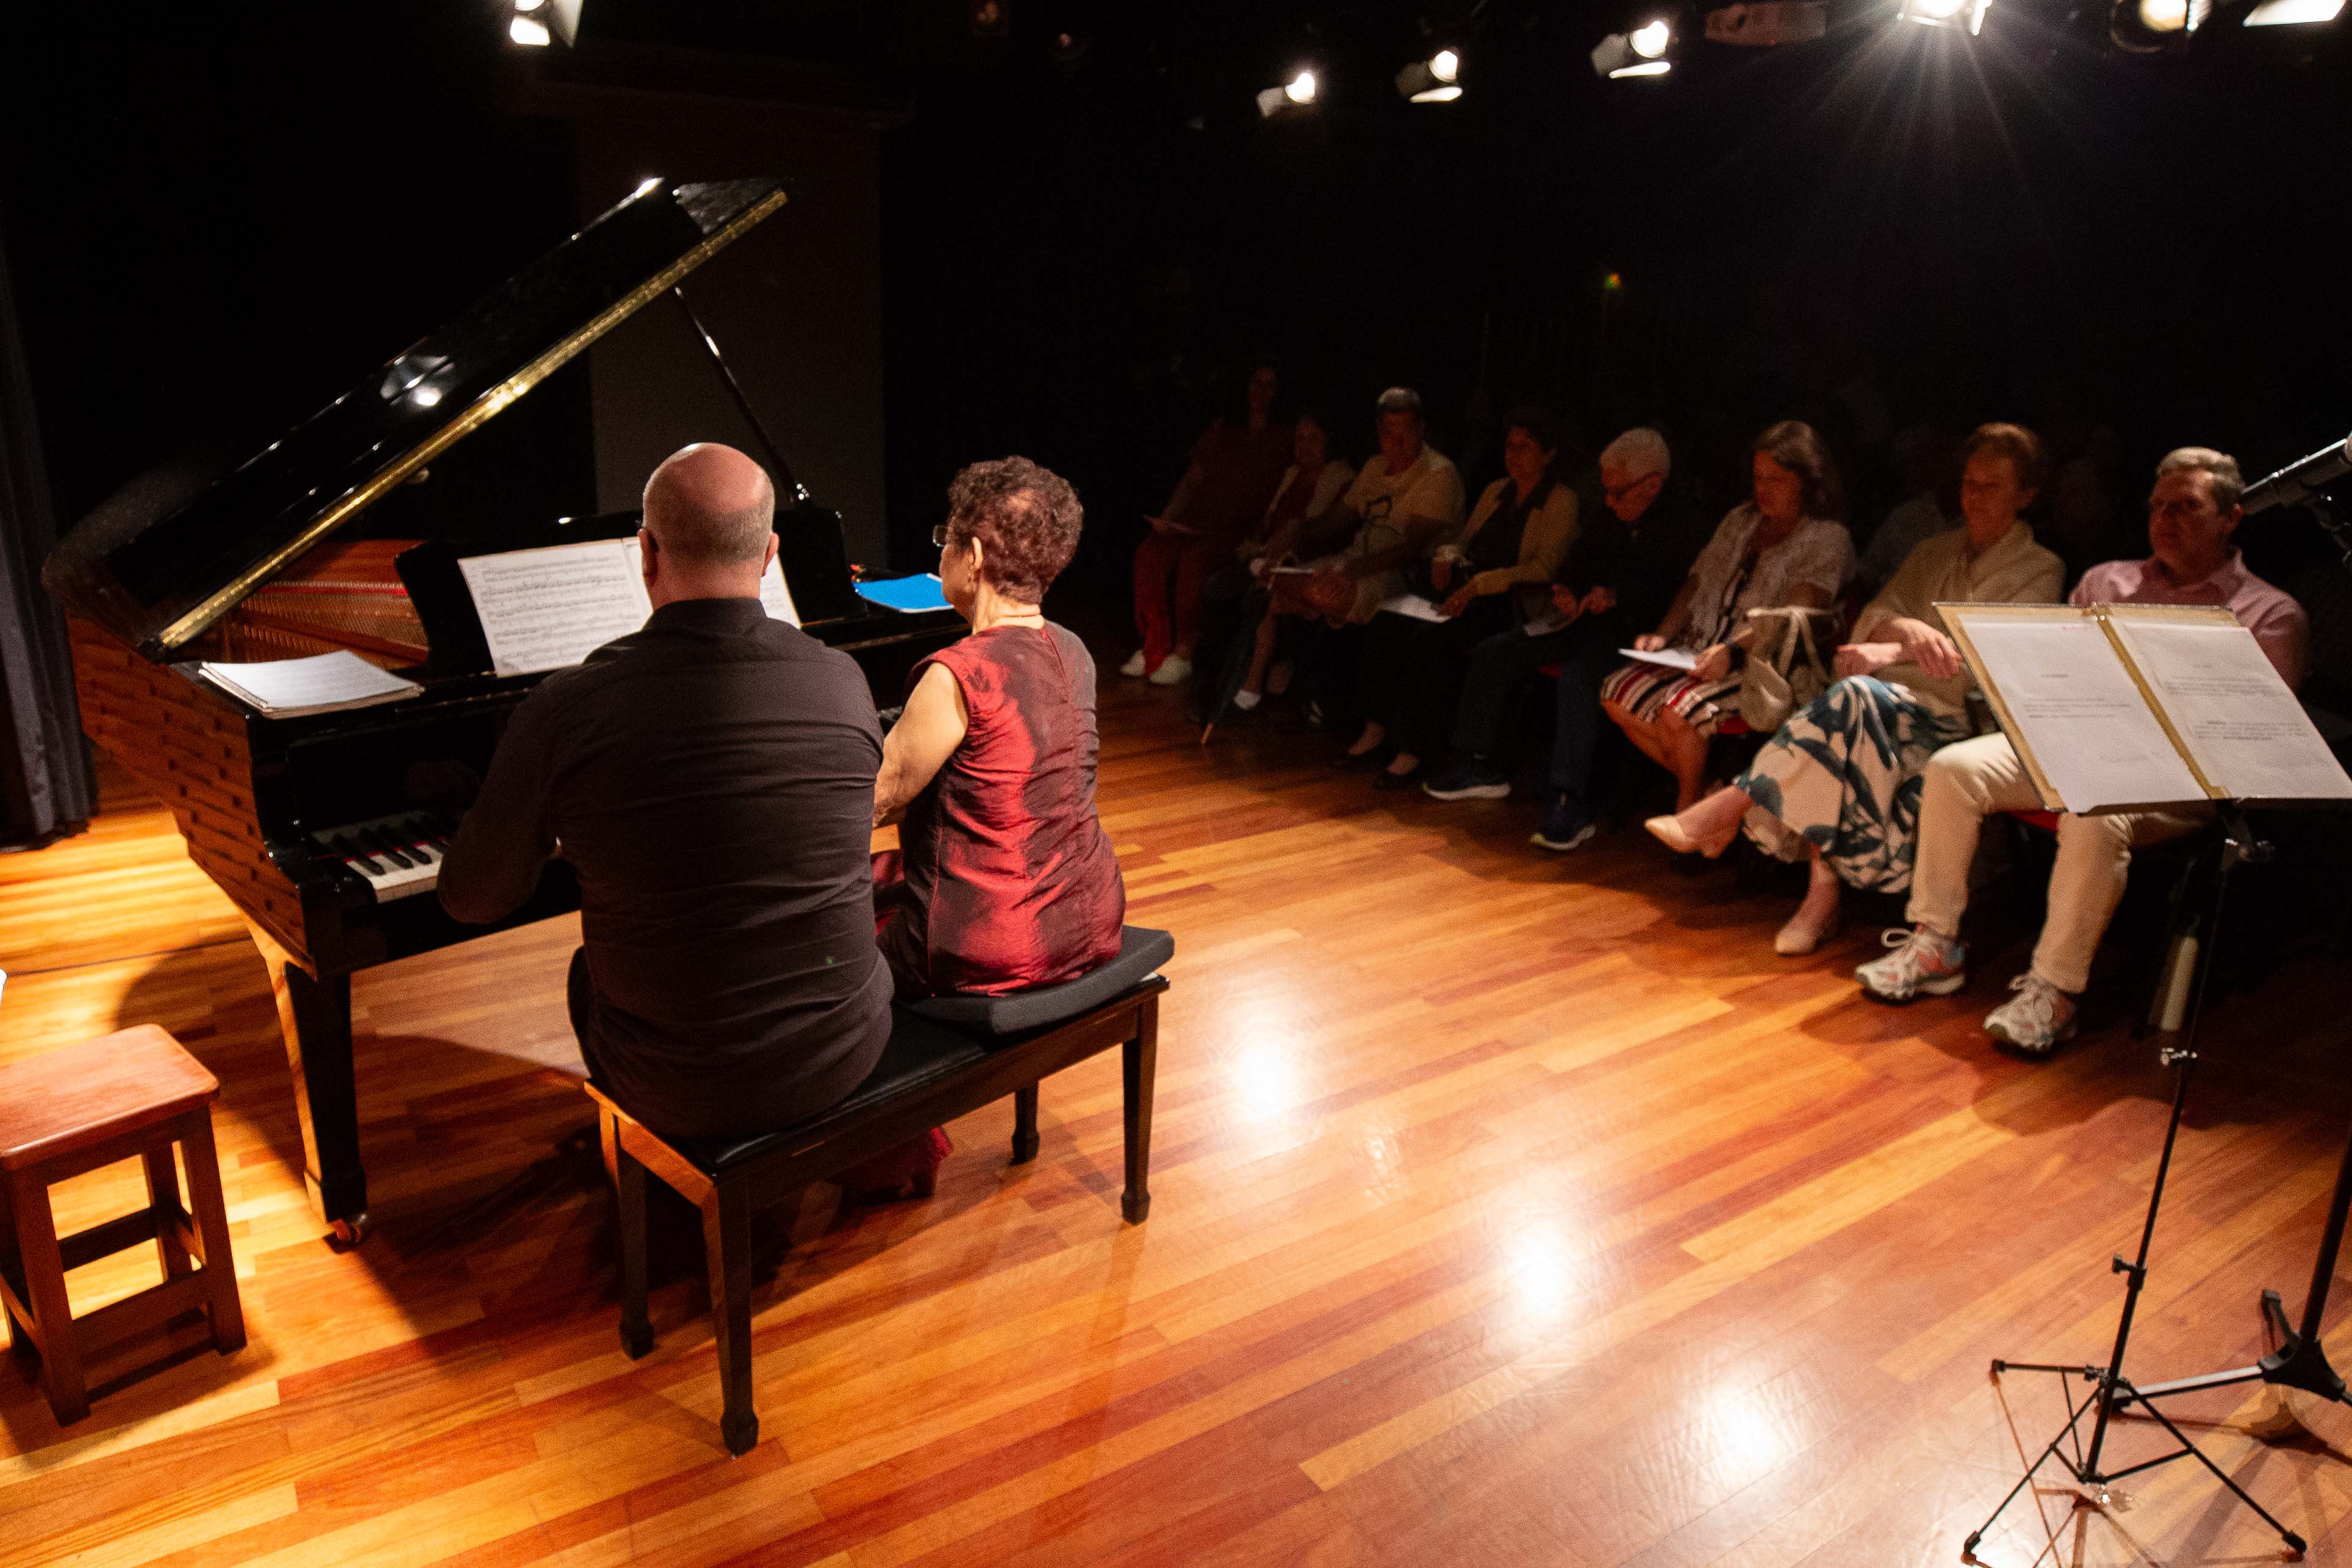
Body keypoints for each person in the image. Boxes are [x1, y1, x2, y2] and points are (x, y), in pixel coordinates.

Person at [439, 443, 891, 1143]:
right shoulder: (841, 679)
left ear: (645, 552)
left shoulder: (570, 705)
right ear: (771, 554)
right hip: (846, 1050)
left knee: (591, 971)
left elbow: (473, 899)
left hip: (680, 1086)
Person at [1855, 447, 2310, 1055]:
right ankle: (1936, 942)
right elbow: (2050, 673)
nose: (2165, 519)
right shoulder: (2106, 581)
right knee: (1954, 768)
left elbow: (2254, 740)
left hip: (2177, 778)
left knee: (2093, 813)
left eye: (2186, 507)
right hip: (2080, 744)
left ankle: (2054, 990)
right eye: (2157, 506)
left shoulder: (2270, 613)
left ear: (2230, 517)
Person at [1644, 424, 2065, 954]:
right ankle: (1817, 901)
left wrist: (1895, 648)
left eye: (1991, 486)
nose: (1973, 496)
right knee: (1851, 713)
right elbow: (1875, 614)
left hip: (1959, 721)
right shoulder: (1934, 550)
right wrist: (1904, 631)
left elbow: (1988, 664)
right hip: (1888, 707)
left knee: (1853, 700)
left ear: (2026, 495)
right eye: (1968, 482)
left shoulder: (2041, 569)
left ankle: (1733, 810)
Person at [874, 456, 1125, 1000]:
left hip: (987, 945)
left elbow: (878, 799)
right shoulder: (1074, 651)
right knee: (885, 875)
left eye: (947, 538)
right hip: (1093, 915)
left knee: (825, 938)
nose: (941, 551)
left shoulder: (958, 674)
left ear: (976, 557)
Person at [1419, 428, 1710, 854]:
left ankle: (1570, 800)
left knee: (1579, 676)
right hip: (1585, 624)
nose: (1608, 502)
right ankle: (1479, 763)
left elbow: (1677, 594)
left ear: (1653, 485)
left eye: (1617, 493)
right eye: (1605, 492)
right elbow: (1580, 559)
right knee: (1497, 651)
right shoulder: (1611, 516)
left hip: (1640, 641)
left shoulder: (1686, 527)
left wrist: (1617, 597)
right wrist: (1569, 588)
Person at [1600, 420, 1855, 812]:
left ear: (1807, 481)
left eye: (1778, 479)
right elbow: (1697, 582)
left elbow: (1787, 617)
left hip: (1757, 663)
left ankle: (1687, 810)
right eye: (1758, 477)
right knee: (1615, 692)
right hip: (1700, 646)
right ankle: (1708, 793)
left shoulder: (1826, 538)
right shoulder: (1741, 520)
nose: (1763, 489)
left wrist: (1731, 651)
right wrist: (1662, 635)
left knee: (1678, 713)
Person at [1352, 408, 1577, 787]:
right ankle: (1376, 728)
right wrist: (1446, 556)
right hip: (1468, 592)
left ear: (1549, 454)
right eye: (1510, 445)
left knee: (1432, 641)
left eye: (1526, 447)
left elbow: (1545, 568)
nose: (1514, 454)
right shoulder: (1495, 490)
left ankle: (1415, 750)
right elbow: (1464, 542)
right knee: (1388, 621)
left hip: (1511, 604)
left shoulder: (1561, 500)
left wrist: (1481, 584)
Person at [1307, 386, 1466, 756]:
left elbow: (1410, 548)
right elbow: (1339, 519)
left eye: (1405, 430)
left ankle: (1370, 726)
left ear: (1422, 429)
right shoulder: (1375, 467)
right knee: (1285, 582)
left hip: (1411, 575)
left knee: (1335, 599)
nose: (1395, 440)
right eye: (1387, 431)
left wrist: (1349, 570)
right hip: (1358, 559)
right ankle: (1308, 699)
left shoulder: (1439, 473)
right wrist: (1297, 532)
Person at [1124, 358, 1293, 688]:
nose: (1260, 392)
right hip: (1197, 518)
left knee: (1195, 560)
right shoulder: (1222, 428)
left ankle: (1185, 651)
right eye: (1255, 383)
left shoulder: (1284, 437)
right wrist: (1168, 518)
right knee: (1151, 552)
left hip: (1237, 528)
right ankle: (1154, 646)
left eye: (1269, 386)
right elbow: (1191, 480)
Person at [1214, 406, 1356, 716]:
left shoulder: (1343, 477)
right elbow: (1269, 519)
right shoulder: (1292, 474)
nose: (1304, 445)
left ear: (1330, 441)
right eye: (1300, 438)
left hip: (1307, 561)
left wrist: (1269, 552)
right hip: (1274, 555)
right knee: (1244, 588)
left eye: (1314, 438)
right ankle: (1244, 683)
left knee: (1256, 590)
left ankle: (1247, 686)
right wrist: (1257, 544)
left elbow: (1318, 530)